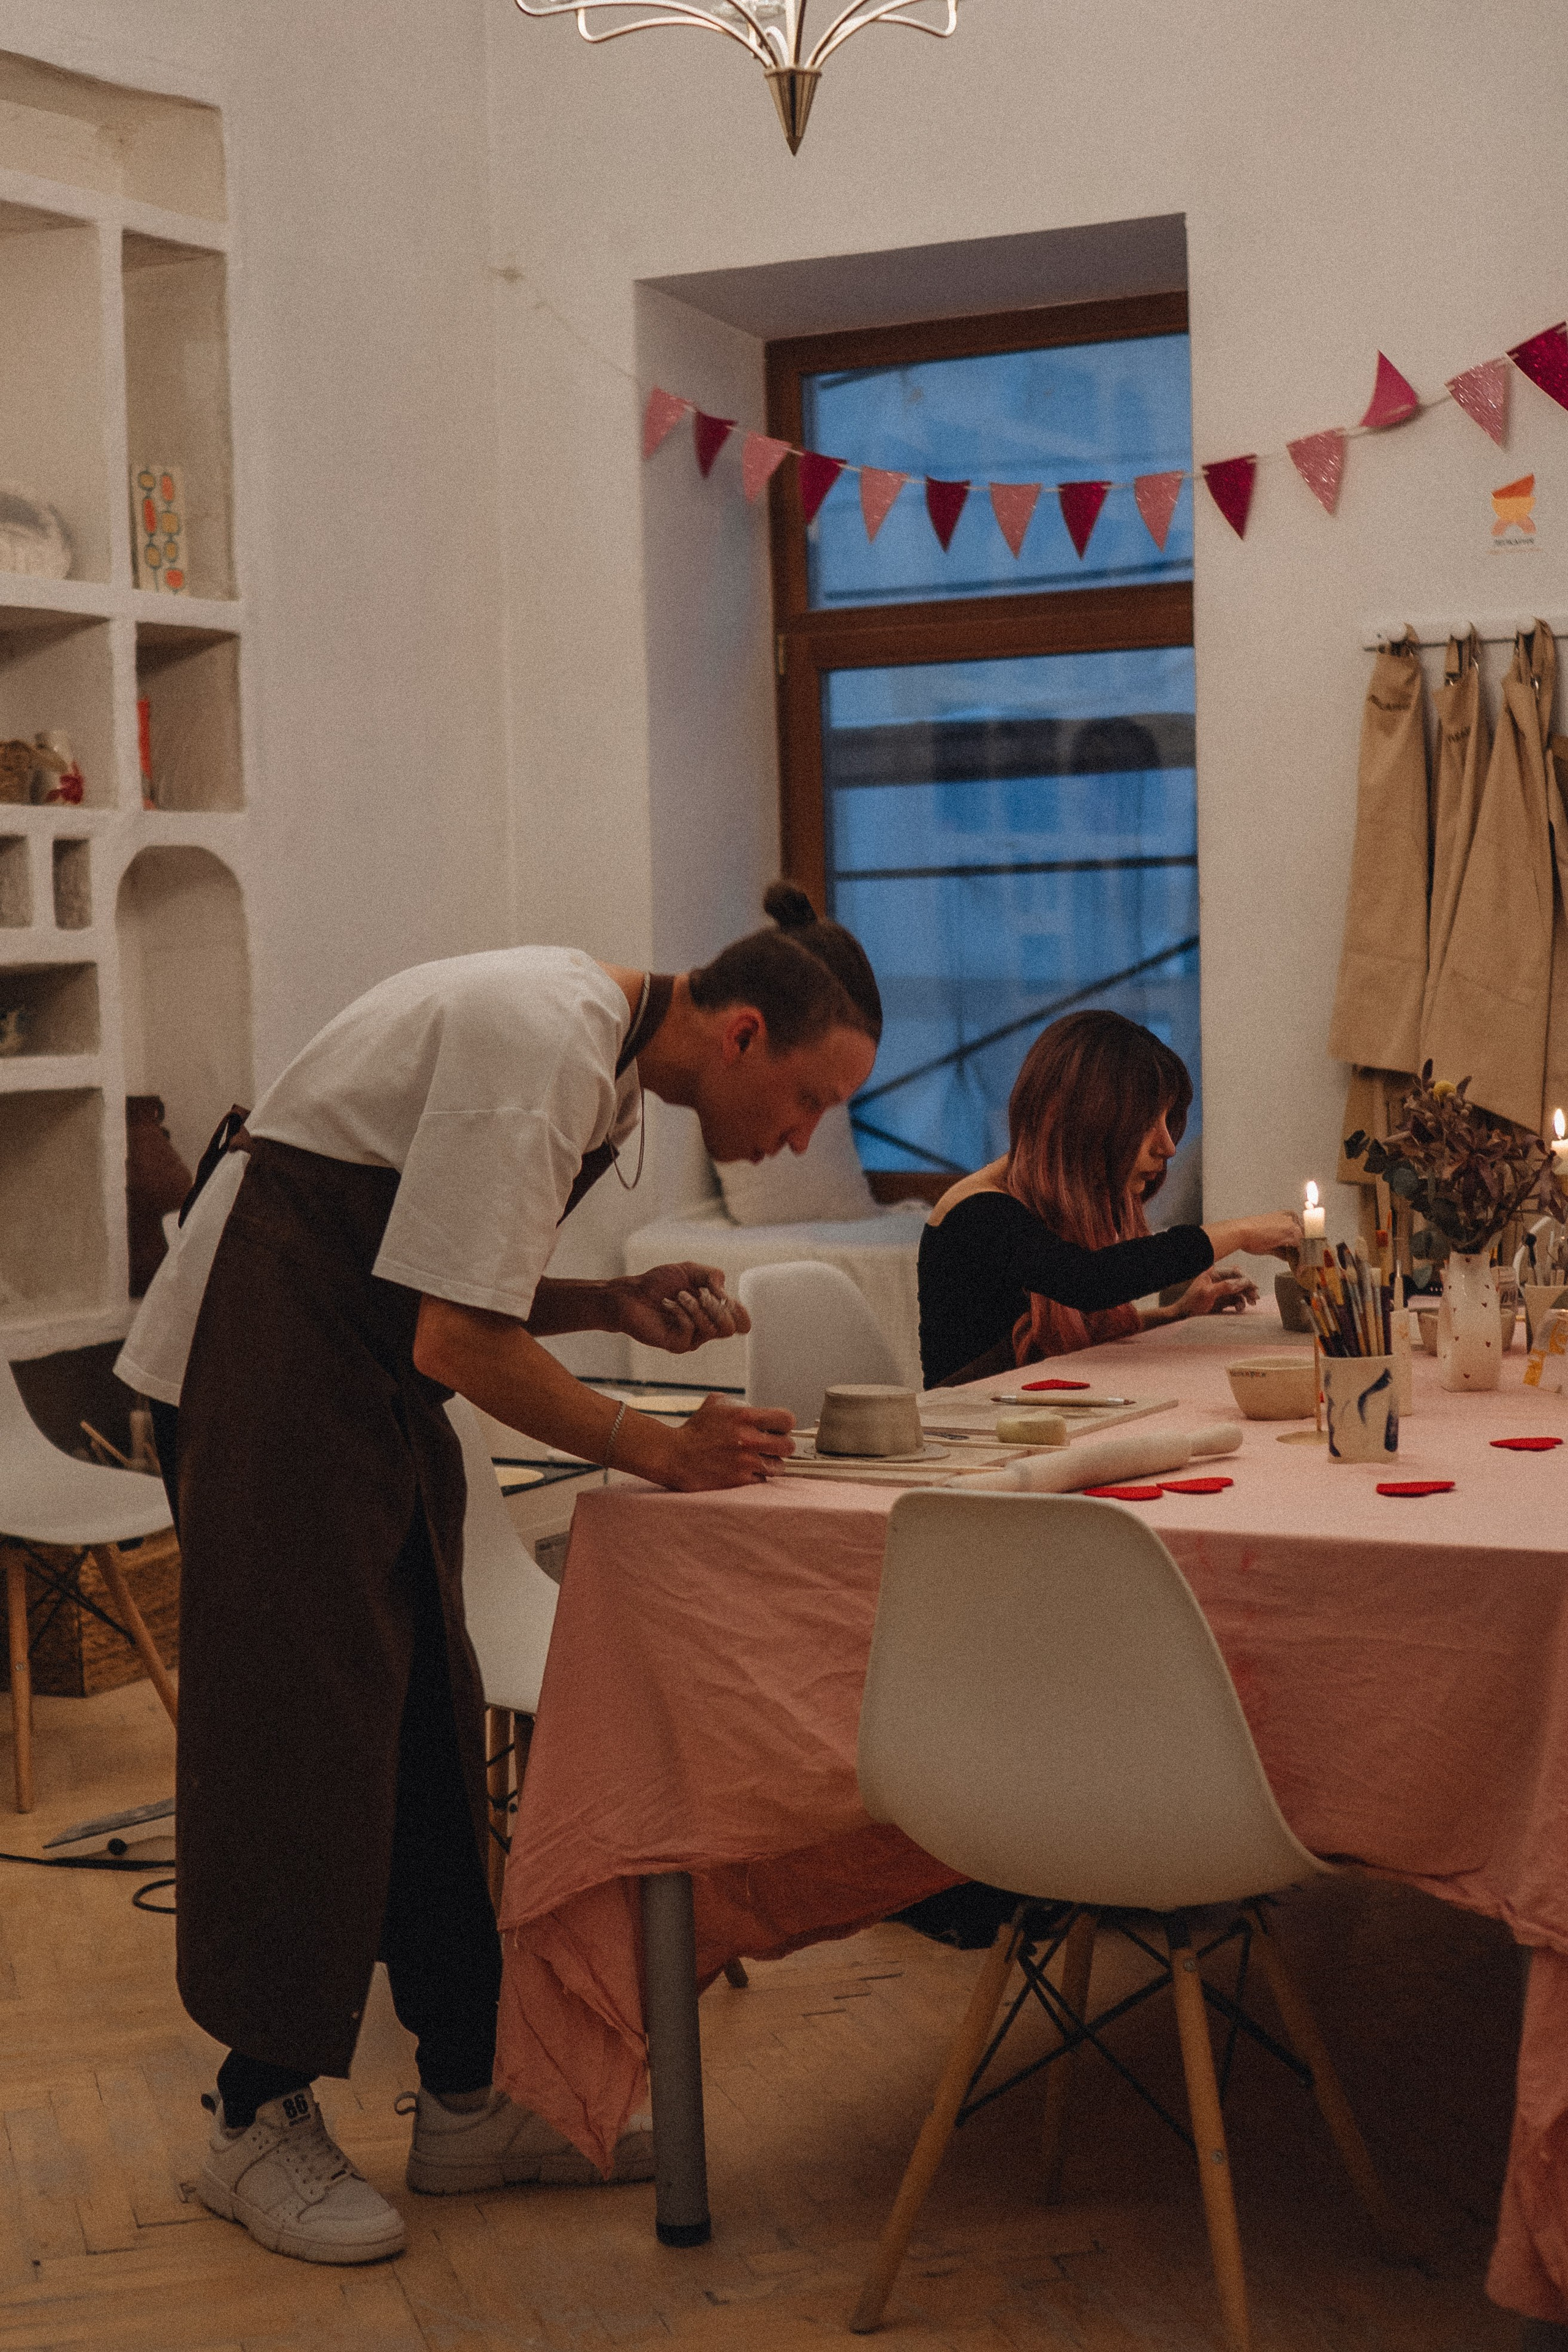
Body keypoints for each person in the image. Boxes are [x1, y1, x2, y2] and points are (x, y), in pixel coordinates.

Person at [115, 882, 880, 2266]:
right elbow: (457, 1341)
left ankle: (468, 2094)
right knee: (303, 1739)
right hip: (267, 1366)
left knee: (423, 1725)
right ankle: (251, 2116)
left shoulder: (596, 1058)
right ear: (746, 1031)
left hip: (352, 1371)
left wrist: (605, 1303)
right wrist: (657, 1446)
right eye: (810, 1101)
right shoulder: (548, 1043)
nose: (802, 1136)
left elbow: (435, 1271)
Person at [918, 1009, 1300, 1388]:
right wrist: (1240, 1232)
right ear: (1087, 1120)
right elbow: (1087, 1281)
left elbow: (1069, 1333)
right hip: (967, 1433)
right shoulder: (976, 1212)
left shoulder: (1042, 1198)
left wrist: (1176, 1313)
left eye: (1169, 1121)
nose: (1168, 1146)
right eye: (1147, 1122)